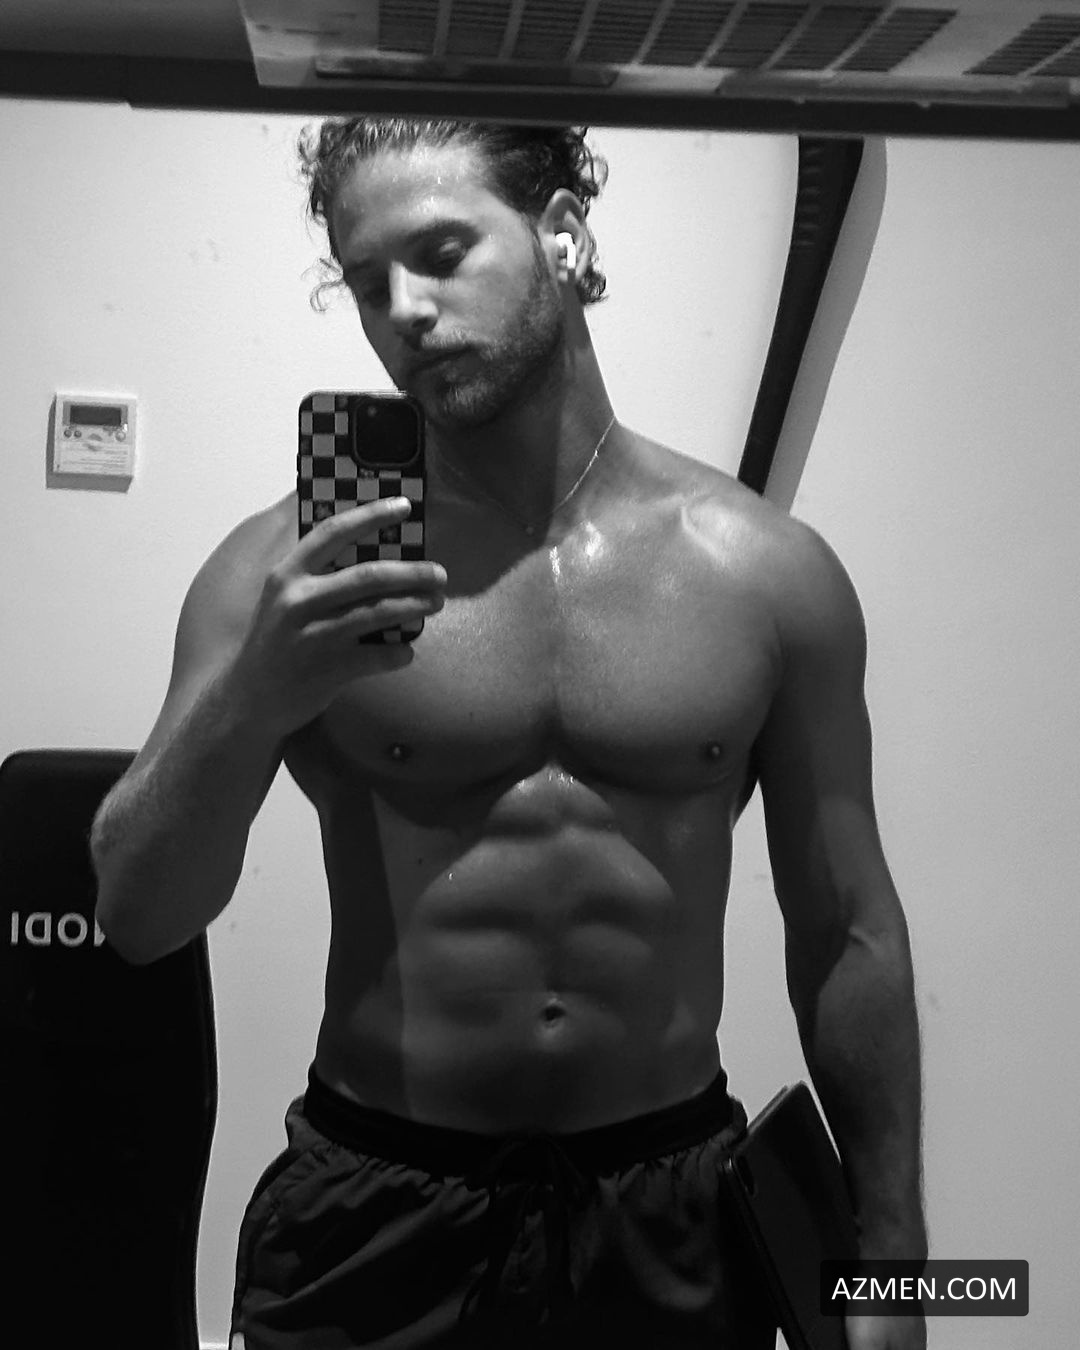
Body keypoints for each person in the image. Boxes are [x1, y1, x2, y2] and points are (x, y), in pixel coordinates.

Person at [91, 119, 927, 1349]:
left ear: (563, 237)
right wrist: (256, 691)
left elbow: (849, 928)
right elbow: (136, 914)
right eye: (367, 283)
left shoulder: (766, 575)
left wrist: (894, 1267)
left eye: (441, 254)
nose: (404, 313)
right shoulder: (286, 575)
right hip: (377, 1212)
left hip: (668, 1215)